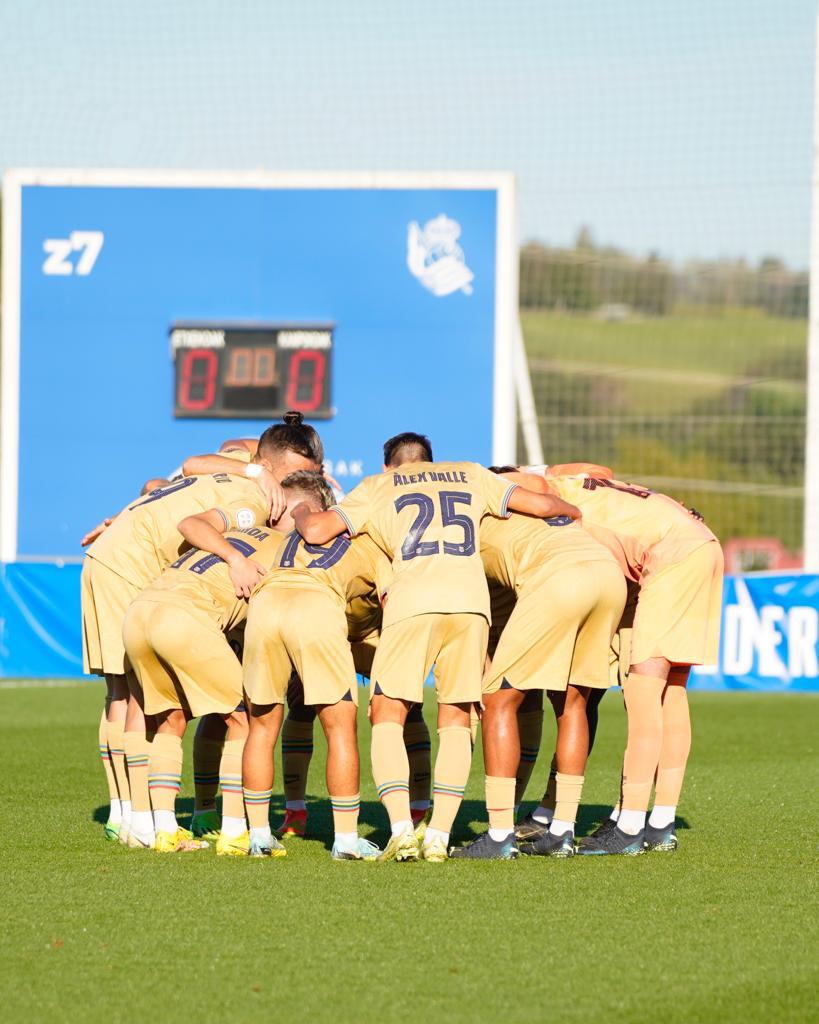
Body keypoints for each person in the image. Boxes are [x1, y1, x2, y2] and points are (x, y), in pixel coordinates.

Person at [292, 431, 582, 863]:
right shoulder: (470, 474)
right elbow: (540, 504)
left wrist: (300, 510)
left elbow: (316, 531)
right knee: (456, 715)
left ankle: (402, 829)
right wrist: (572, 510)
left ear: (391, 466)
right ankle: (441, 835)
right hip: (471, 604)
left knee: (388, 711)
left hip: (413, 600)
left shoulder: (379, 485)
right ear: (430, 460)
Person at [81, 414, 321, 846]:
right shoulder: (255, 495)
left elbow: (181, 475)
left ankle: (137, 817)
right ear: (274, 465)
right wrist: (235, 556)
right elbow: (190, 498)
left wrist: (124, 516)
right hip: (137, 566)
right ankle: (140, 819)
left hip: (125, 554)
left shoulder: (233, 468)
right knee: (143, 699)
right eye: (300, 471)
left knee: (137, 698)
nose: (302, 479)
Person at [515, 467, 723, 854]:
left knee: (644, 692)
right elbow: (598, 471)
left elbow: (535, 489)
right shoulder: (574, 479)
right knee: (671, 690)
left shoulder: (555, 505)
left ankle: (629, 826)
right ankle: (660, 822)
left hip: (671, 556)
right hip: (699, 543)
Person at [451, 493, 626, 859]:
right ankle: (562, 829)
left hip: (558, 579)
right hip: (608, 575)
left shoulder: (470, 522)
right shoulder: (537, 511)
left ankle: (499, 834)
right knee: (573, 703)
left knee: (498, 699)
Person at [241, 471, 391, 860]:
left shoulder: (281, 538)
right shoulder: (372, 540)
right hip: (316, 606)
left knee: (261, 725)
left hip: (266, 604)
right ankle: (344, 839)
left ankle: (259, 836)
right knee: (340, 728)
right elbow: (389, 598)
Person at [122, 519, 285, 853]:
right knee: (242, 721)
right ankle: (236, 831)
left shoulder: (230, 531)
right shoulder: (285, 547)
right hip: (184, 617)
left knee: (170, 721)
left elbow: (187, 523)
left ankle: (166, 830)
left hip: (139, 612)